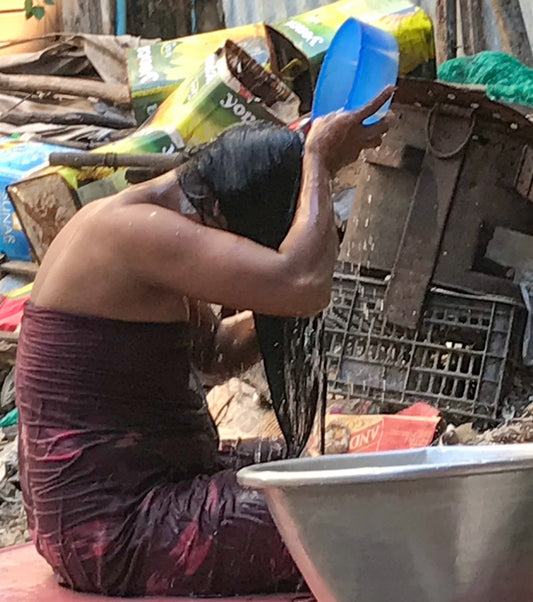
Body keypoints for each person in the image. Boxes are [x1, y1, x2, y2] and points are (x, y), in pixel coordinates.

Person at [15, 87, 394, 597]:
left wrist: (281, 290)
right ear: (219, 208)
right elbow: (300, 284)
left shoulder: (162, 216)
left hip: (145, 490)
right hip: (115, 527)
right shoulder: (128, 230)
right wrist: (318, 163)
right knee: (341, 520)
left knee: (340, 471)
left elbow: (213, 354)